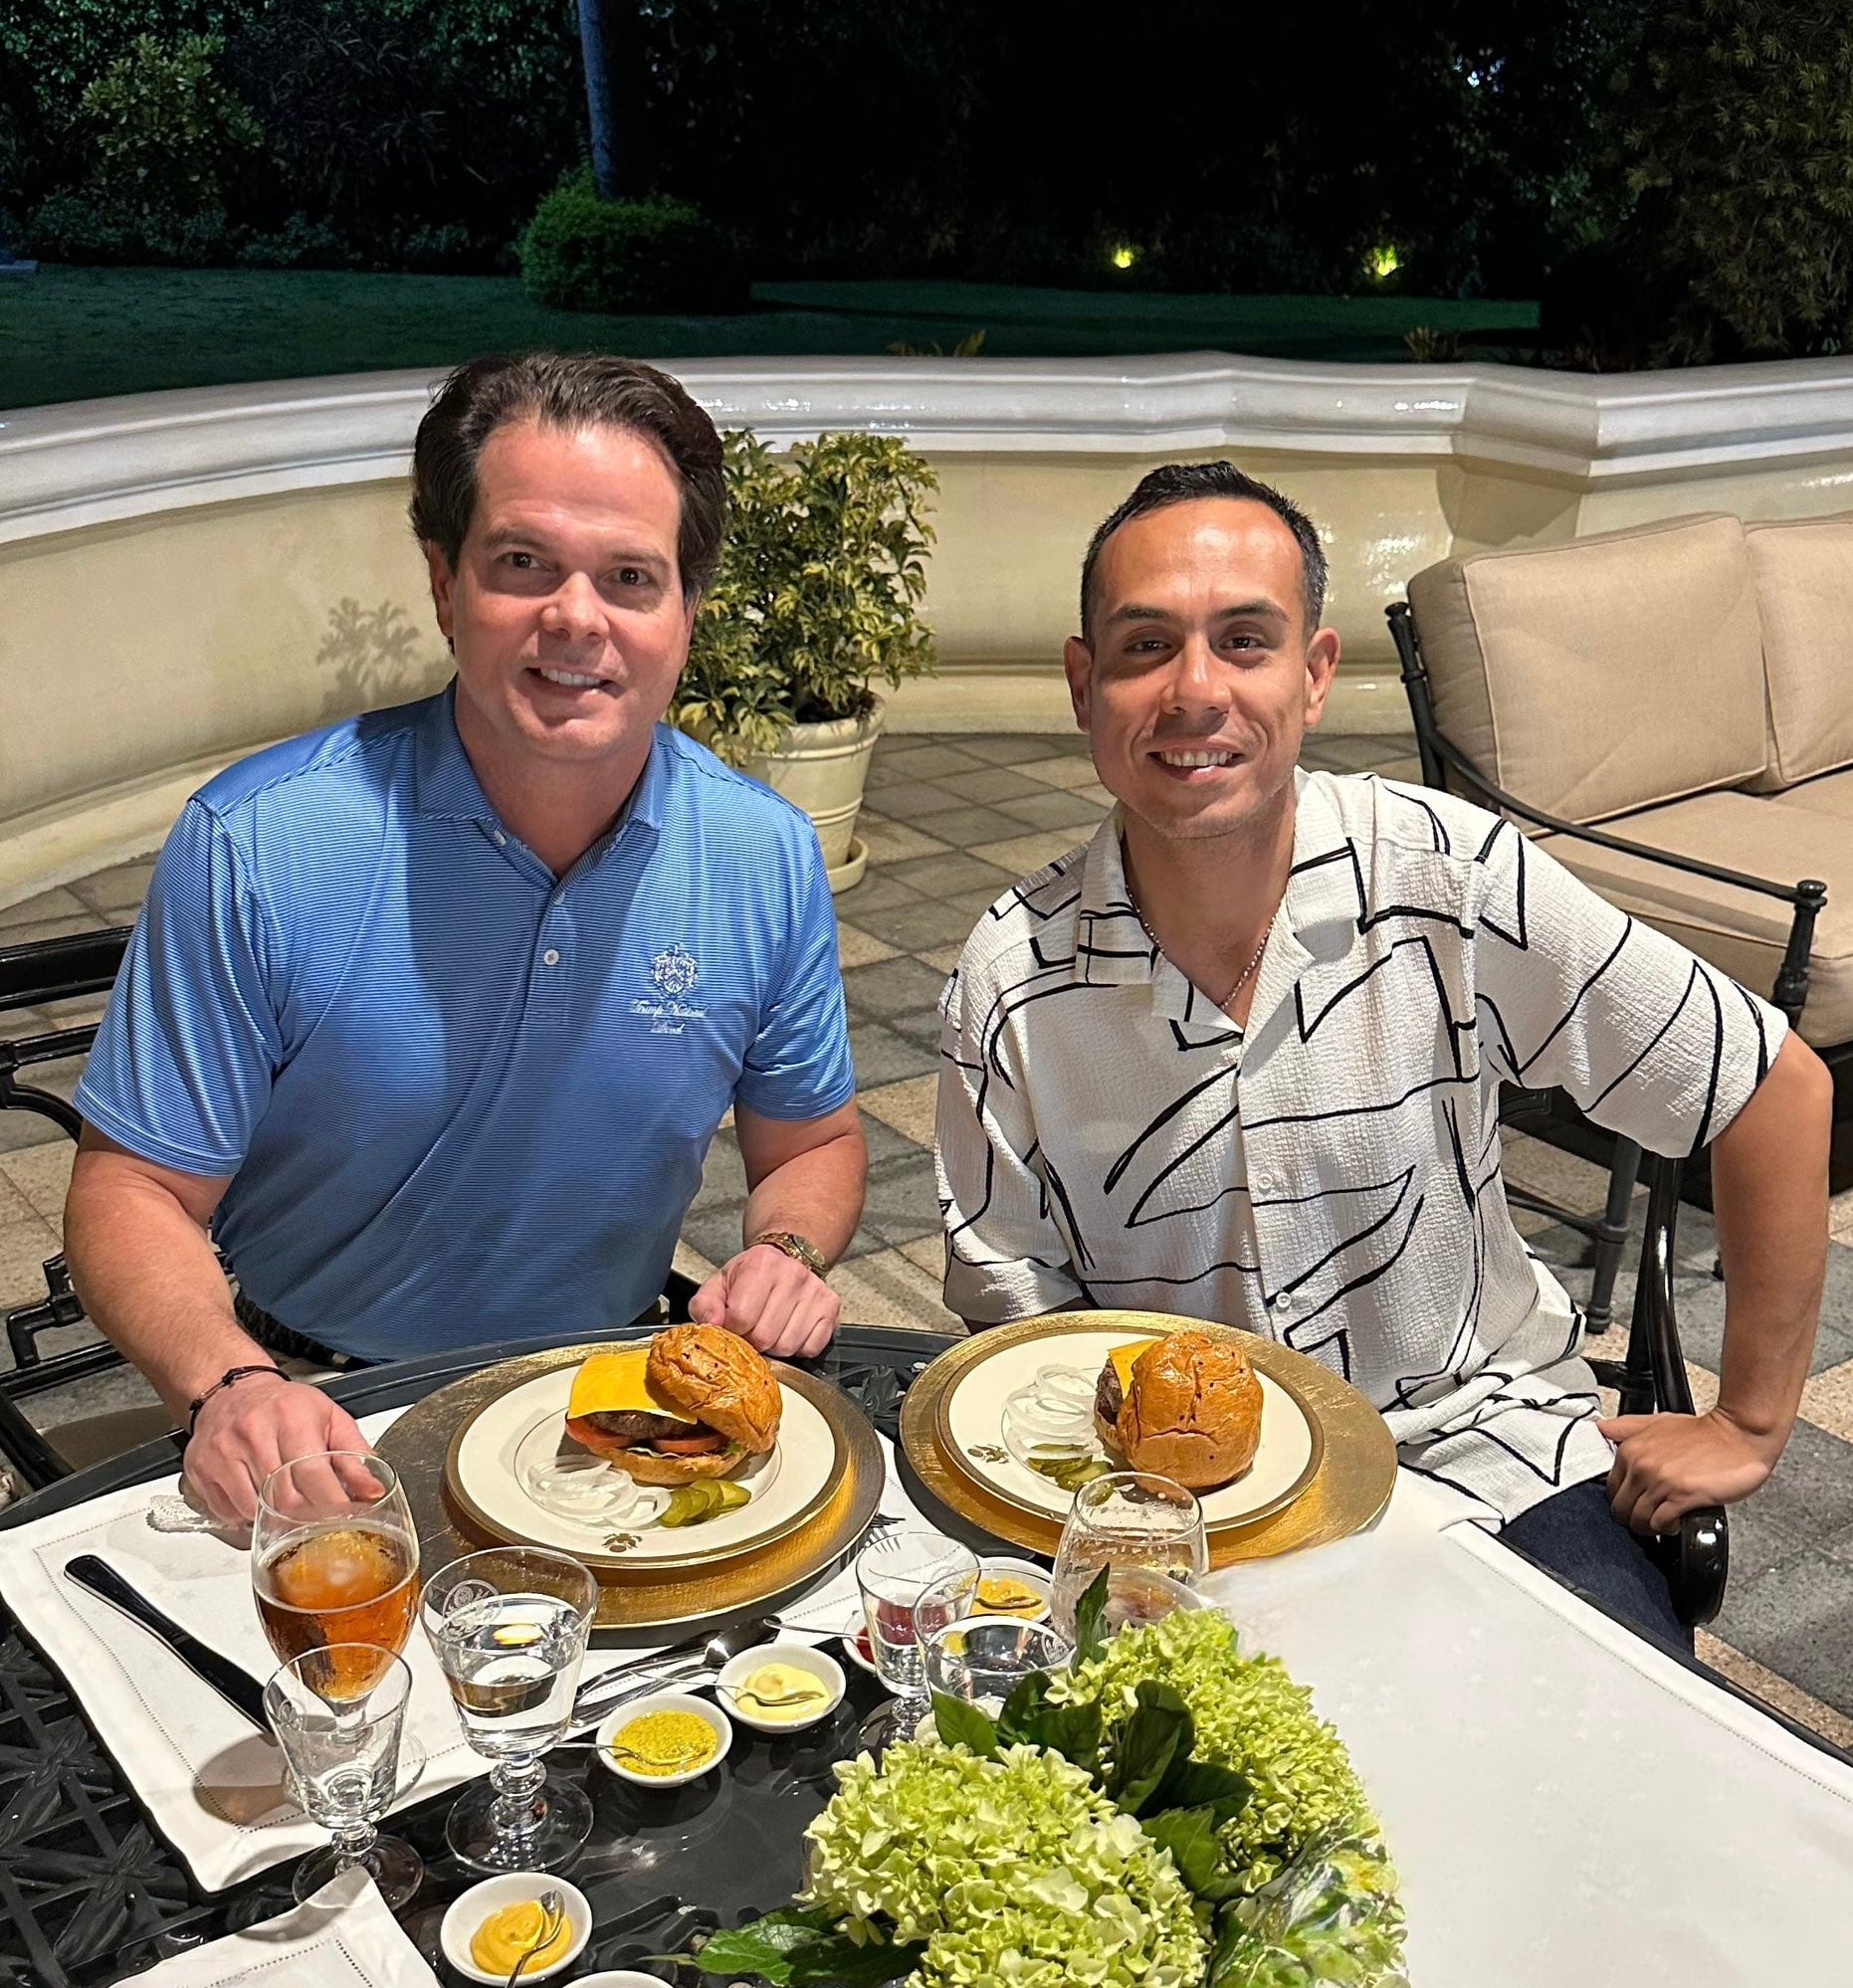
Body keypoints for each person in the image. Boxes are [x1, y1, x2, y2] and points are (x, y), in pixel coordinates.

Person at [934, 460, 1831, 1649]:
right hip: (1180, 1529)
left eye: (1243, 640)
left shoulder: (1445, 879)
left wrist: (1751, 1422)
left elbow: (1768, 1086)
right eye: (1144, 646)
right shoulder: (1011, 980)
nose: (1193, 689)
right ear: (1082, 682)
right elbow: (1019, 1329)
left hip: (1486, 1458)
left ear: (1312, 676)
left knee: (1601, 1787)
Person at [65, 351, 867, 1522]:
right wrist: (230, 1379)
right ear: (444, 584)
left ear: (684, 618)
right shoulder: (259, 842)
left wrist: (784, 1252)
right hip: (325, 1405)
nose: (575, 618)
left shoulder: (763, 854)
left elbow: (813, 1145)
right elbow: (130, 1184)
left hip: (610, 1403)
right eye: (521, 563)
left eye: (630, 577)